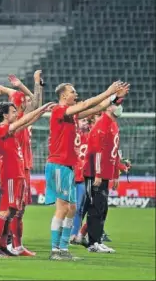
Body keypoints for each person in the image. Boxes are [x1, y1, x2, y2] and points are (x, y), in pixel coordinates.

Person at [45, 81, 128, 261]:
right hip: (58, 164)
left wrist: (115, 97)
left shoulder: (72, 115)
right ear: (63, 95)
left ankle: (64, 248)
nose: (76, 94)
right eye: (72, 91)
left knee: (72, 208)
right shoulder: (58, 110)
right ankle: (55, 250)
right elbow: (86, 104)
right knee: (63, 208)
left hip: (68, 166)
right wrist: (108, 90)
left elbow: (96, 107)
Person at [0, 101, 55, 257]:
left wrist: (41, 112)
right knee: (4, 211)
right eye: (13, 112)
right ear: (5, 115)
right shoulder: (2, 129)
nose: (16, 114)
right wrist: (42, 107)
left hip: (17, 174)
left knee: (12, 212)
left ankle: (4, 246)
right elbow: (24, 120)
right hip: (10, 175)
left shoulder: (11, 130)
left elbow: (27, 121)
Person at [83, 102, 129, 253]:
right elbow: (98, 151)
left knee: (103, 208)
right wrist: (97, 173)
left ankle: (98, 241)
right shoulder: (102, 123)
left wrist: (116, 175)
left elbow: (113, 153)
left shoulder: (113, 124)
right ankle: (92, 243)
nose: (119, 107)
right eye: (116, 104)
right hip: (94, 173)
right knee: (95, 207)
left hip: (105, 173)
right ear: (108, 107)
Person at [69, 117, 93, 245]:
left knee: (78, 208)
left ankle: (73, 234)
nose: (85, 123)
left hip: (82, 177)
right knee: (66, 207)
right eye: (82, 120)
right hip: (69, 174)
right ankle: (63, 233)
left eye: (86, 121)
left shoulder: (90, 136)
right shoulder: (71, 133)